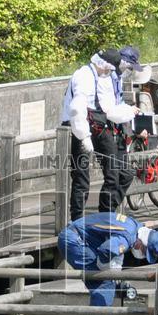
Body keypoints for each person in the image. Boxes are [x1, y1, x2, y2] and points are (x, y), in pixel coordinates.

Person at [57, 211, 158, 315]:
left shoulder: (136, 226)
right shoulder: (128, 237)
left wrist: (115, 273)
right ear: (142, 241)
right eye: (144, 250)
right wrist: (109, 273)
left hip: (78, 236)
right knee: (104, 282)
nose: (142, 254)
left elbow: (114, 250)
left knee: (108, 279)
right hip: (73, 240)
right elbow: (106, 250)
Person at [61, 49, 140, 220]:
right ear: (104, 66)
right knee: (81, 179)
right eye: (110, 70)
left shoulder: (101, 76)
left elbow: (108, 108)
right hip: (78, 127)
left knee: (114, 173)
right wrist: (84, 136)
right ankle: (77, 221)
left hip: (98, 124)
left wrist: (127, 112)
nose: (111, 73)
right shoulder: (83, 76)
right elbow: (76, 109)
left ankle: (105, 216)